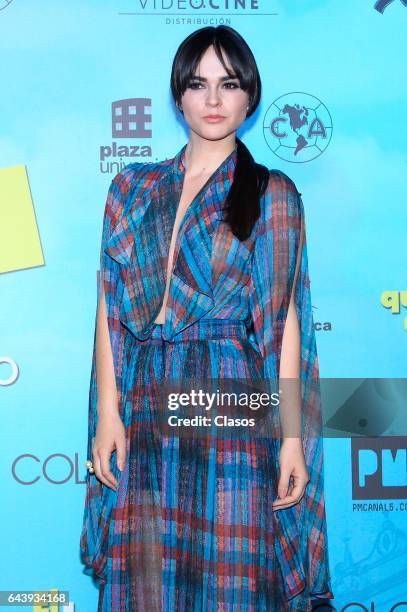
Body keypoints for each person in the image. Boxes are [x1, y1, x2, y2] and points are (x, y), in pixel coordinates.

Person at [80, 25, 334, 612]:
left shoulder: (271, 193)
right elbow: (109, 307)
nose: (214, 100)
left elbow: (282, 323)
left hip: (228, 398)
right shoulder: (132, 187)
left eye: (229, 84)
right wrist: (108, 413)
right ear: (179, 96)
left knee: (230, 571)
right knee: (144, 572)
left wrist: (291, 439)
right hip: (144, 395)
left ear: (250, 97)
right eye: (199, 84)